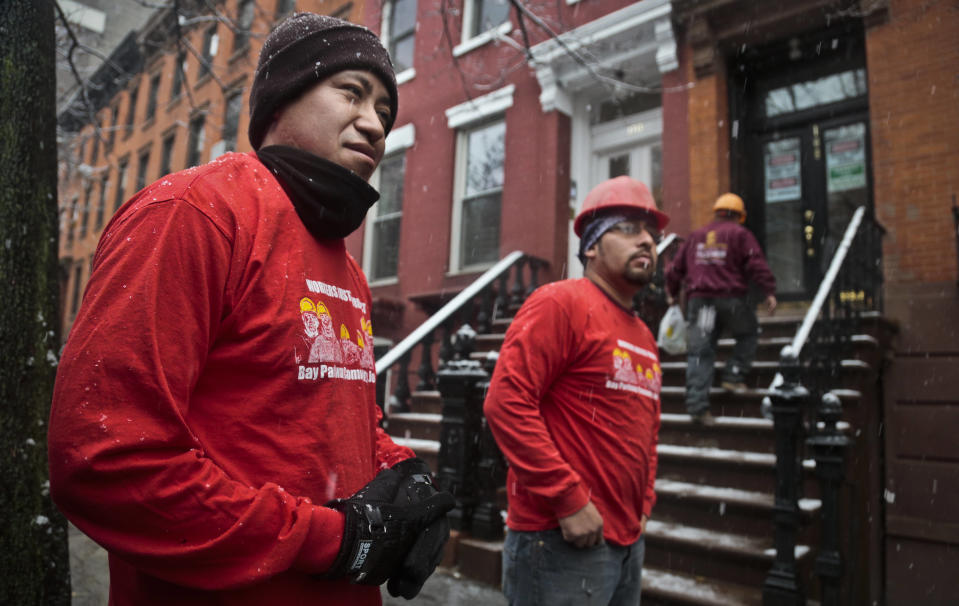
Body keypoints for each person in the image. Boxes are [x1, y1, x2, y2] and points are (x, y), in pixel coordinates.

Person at [48, 13, 453, 606]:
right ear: (283, 96)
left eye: (386, 113)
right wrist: (330, 541)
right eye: (352, 93)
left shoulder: (348, 268)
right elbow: (103, 458)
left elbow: (337, 415)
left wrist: (401, 473)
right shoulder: (194, 213)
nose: (374, 124)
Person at [484, 176, 666, 606]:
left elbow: (647, 428)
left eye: (651, 235)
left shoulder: (644, 334)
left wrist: (645, 501)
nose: (646, 242)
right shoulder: (560, 303)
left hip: (625, 541)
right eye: (628, 229)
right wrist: (569, 500)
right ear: (591, 246)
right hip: (560, 540)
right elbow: (506, 403)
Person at [665, 193, 777, 425]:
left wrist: (672, 293)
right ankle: (734, 374)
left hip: (703, 304)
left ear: (716, 212)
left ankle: (697, 407)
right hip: (732, 302)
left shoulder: (696, 236)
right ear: (739, 216)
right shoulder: (740, 234)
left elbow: (675, 269)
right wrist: (769, 291)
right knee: (748, 334)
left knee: (700, 351)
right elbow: (756, 263)